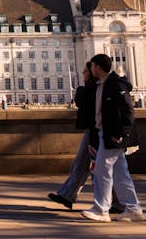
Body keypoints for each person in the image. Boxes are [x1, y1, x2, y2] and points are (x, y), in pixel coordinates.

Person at [48, 62, 123, 213]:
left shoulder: (98, 88)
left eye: (85, 70)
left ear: (95, 70)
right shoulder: (93, 87)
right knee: (83, 163)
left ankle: (116, 203)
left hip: (99, 131)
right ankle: (68, 195)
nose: (82, 72)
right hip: (92, 129)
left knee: (104, 168)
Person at [80, 53, 145, 223]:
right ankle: (133, 208)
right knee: (120, 173)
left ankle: (101, 209)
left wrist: (119, 134)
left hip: (113, 135)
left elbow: (128, 111)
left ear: (99, 67)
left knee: (102, 171)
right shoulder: (102, 84)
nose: (89, 69)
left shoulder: (115, 85)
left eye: (92, 66)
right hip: (105, 133)